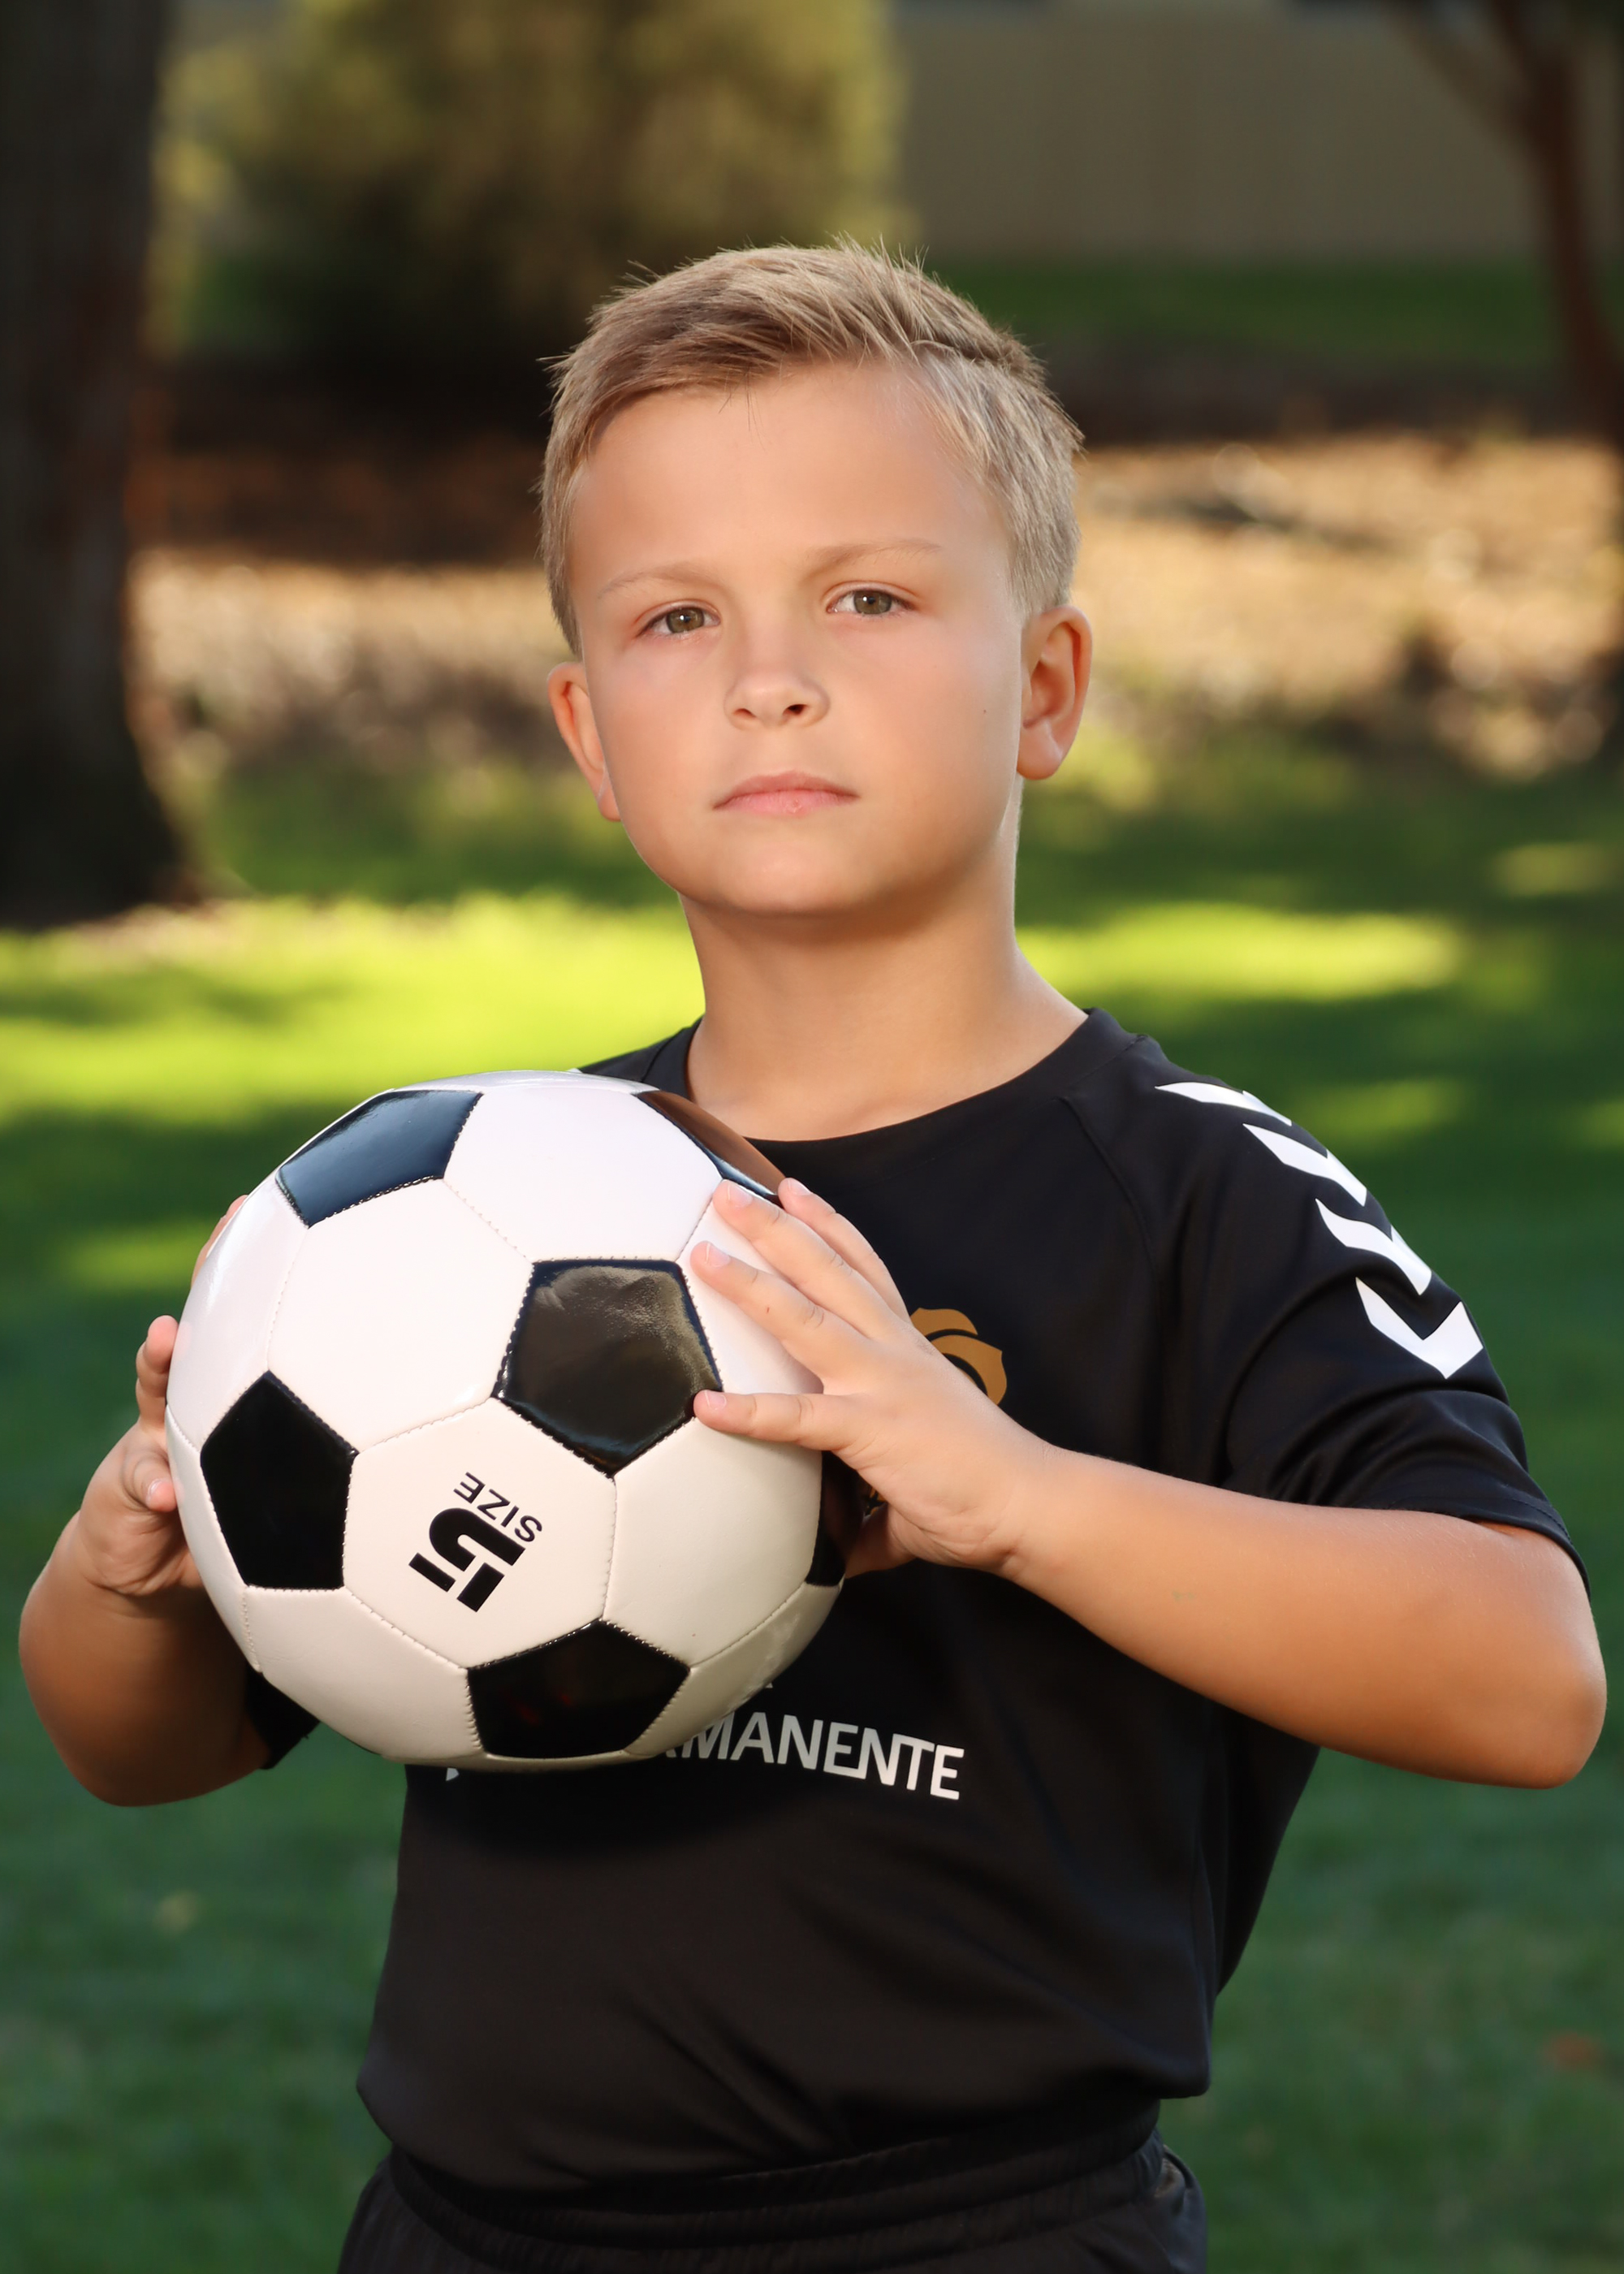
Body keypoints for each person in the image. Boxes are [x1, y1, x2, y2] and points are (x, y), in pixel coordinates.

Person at [20, 246, 1605, 2274]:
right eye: (676, 616)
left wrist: (1015, 1493)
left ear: (1044, 688)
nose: (768, 675)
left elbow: (1524, 1675)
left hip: (976, 2231)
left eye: (867, 596)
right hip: (464, 2232)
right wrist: (130, 1566)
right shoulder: (468, 1206)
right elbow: (133, 1748)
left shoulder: (1209, 1197)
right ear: (593, 736)